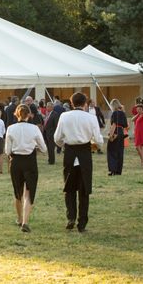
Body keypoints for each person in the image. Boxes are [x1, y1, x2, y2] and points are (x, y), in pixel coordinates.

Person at [54, 92, 103, 233]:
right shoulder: (91, 117)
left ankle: (71, 218)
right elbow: (98, 139)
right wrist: (97, 146)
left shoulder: (64, 116)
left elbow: (57, 137)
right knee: (84, 189)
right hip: (84, 153)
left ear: (71, 103)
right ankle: (82, 222)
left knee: (69, 187)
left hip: (70, 152)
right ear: (85, 103)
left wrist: (63, 144)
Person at [5, 104, 48, 232]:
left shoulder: (11, 128)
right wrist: (33, 145)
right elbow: (44, 148)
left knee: (17, 192)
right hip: (30, 161)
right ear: (29, 115)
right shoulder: (34, 128)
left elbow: (7, 150)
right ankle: (25, 222)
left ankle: (19, 218)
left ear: (16, 114)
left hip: (16, 161)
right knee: (29, 192)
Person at [107, 99, 127, 176]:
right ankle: (119, 170)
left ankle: (112, 169)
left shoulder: (115, 113)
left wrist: (111, 135)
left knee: (111, 151)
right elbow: (125, 125)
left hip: (116, 131)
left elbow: (114, 124)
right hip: (121, 132)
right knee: (120, 152)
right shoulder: (123, 113)